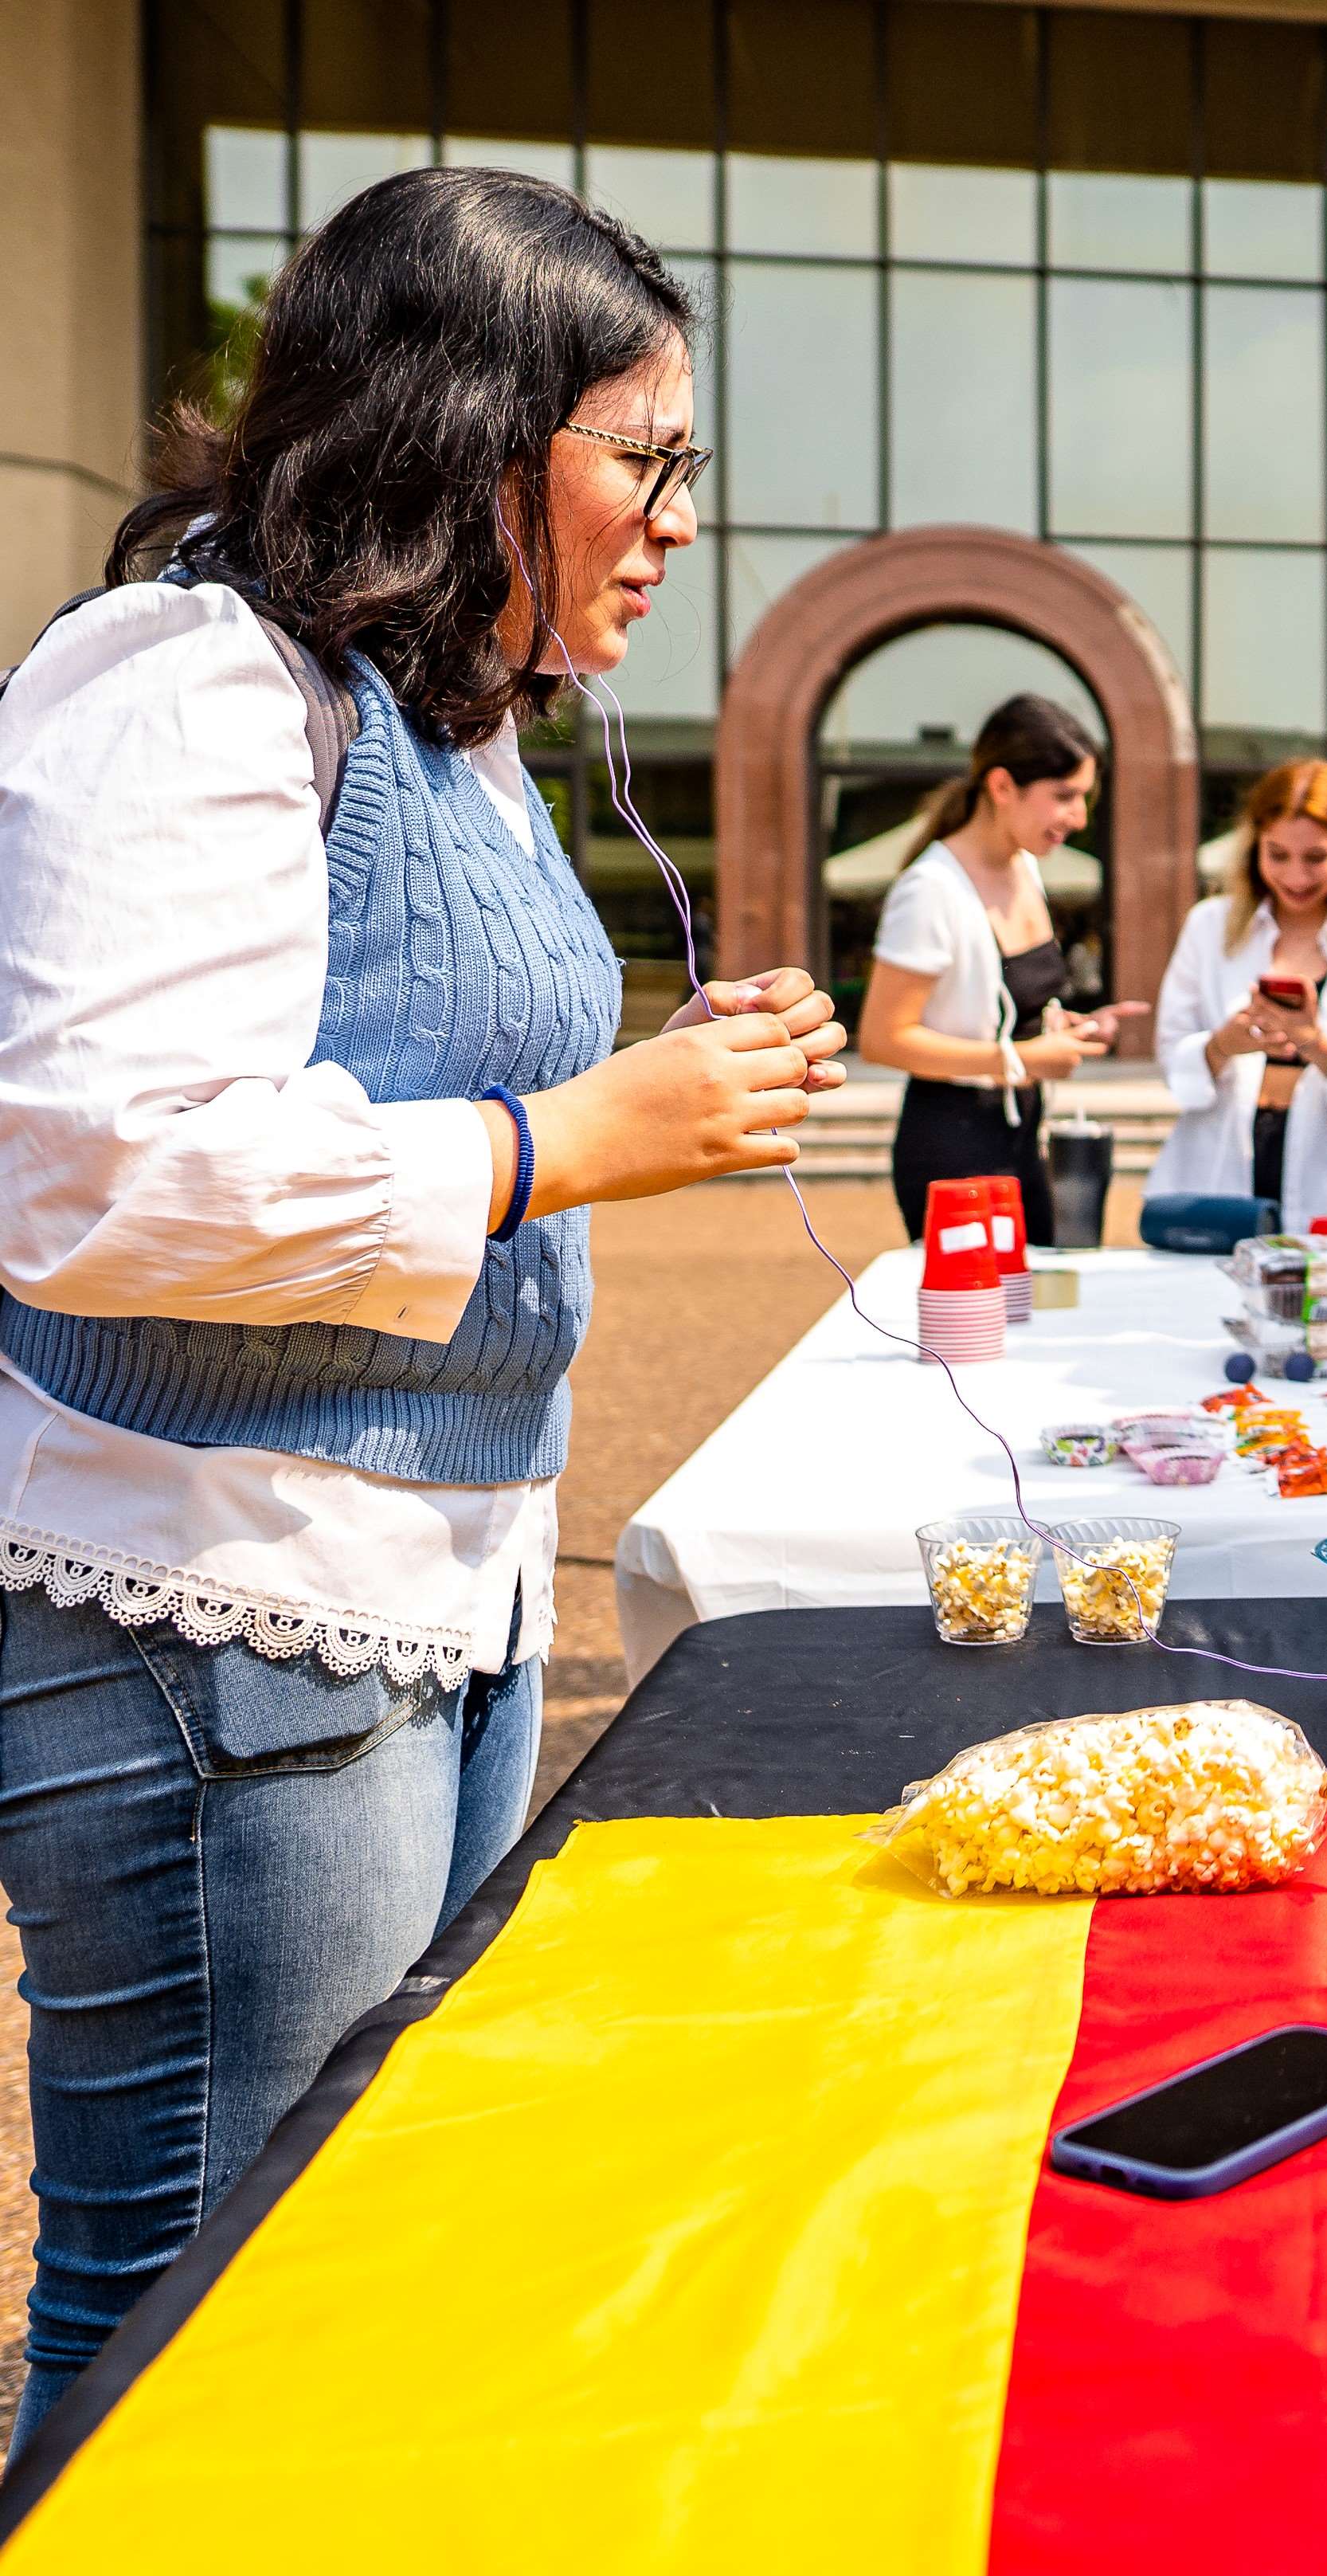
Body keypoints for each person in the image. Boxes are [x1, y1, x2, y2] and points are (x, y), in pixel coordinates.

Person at [0, 169, 847, 2446]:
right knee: (187, 2290)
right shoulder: (183, 677)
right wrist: (562, 1141)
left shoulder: (444, 719)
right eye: (642, 458)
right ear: (477, 437)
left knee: (319, 2267)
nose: (676, 522)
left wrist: (643, 1087)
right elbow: (92, 1172)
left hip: (416, 1603)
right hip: (209, 1604)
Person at [855, 692, 1137, 1242]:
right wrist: (1020, 1058)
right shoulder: (930, 889)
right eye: (1065, 796)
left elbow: (1008, 1007)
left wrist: (1063, 1030)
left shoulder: (1025, 865)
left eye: (1084, 797)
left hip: (1022, 1136)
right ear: (1003, 787)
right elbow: (882, 1040)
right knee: (976, 1320)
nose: (1079, 817)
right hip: (952, 1144)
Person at [1149, 759, 1327, 1236]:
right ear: (1255, 846)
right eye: (1277, 855)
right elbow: (1173, 1059)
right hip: (1214, 1173)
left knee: (1323, 1304)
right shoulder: (1210, 925)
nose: (1296, 877)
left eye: (1316, 858)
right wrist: (1222, 1046)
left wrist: (1316, 1044)